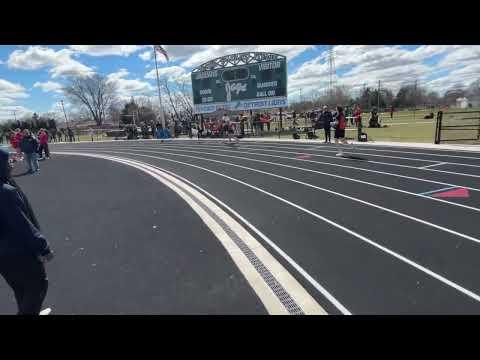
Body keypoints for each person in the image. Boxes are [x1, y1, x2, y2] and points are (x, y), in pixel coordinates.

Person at [0, 148, 54, 315]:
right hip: (18, 252)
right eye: (8, 161)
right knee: (38, 285)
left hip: (3, 257)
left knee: (20, 288)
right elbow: (22, 224)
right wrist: (43, 247)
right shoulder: (6, 192)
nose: (11, 165)